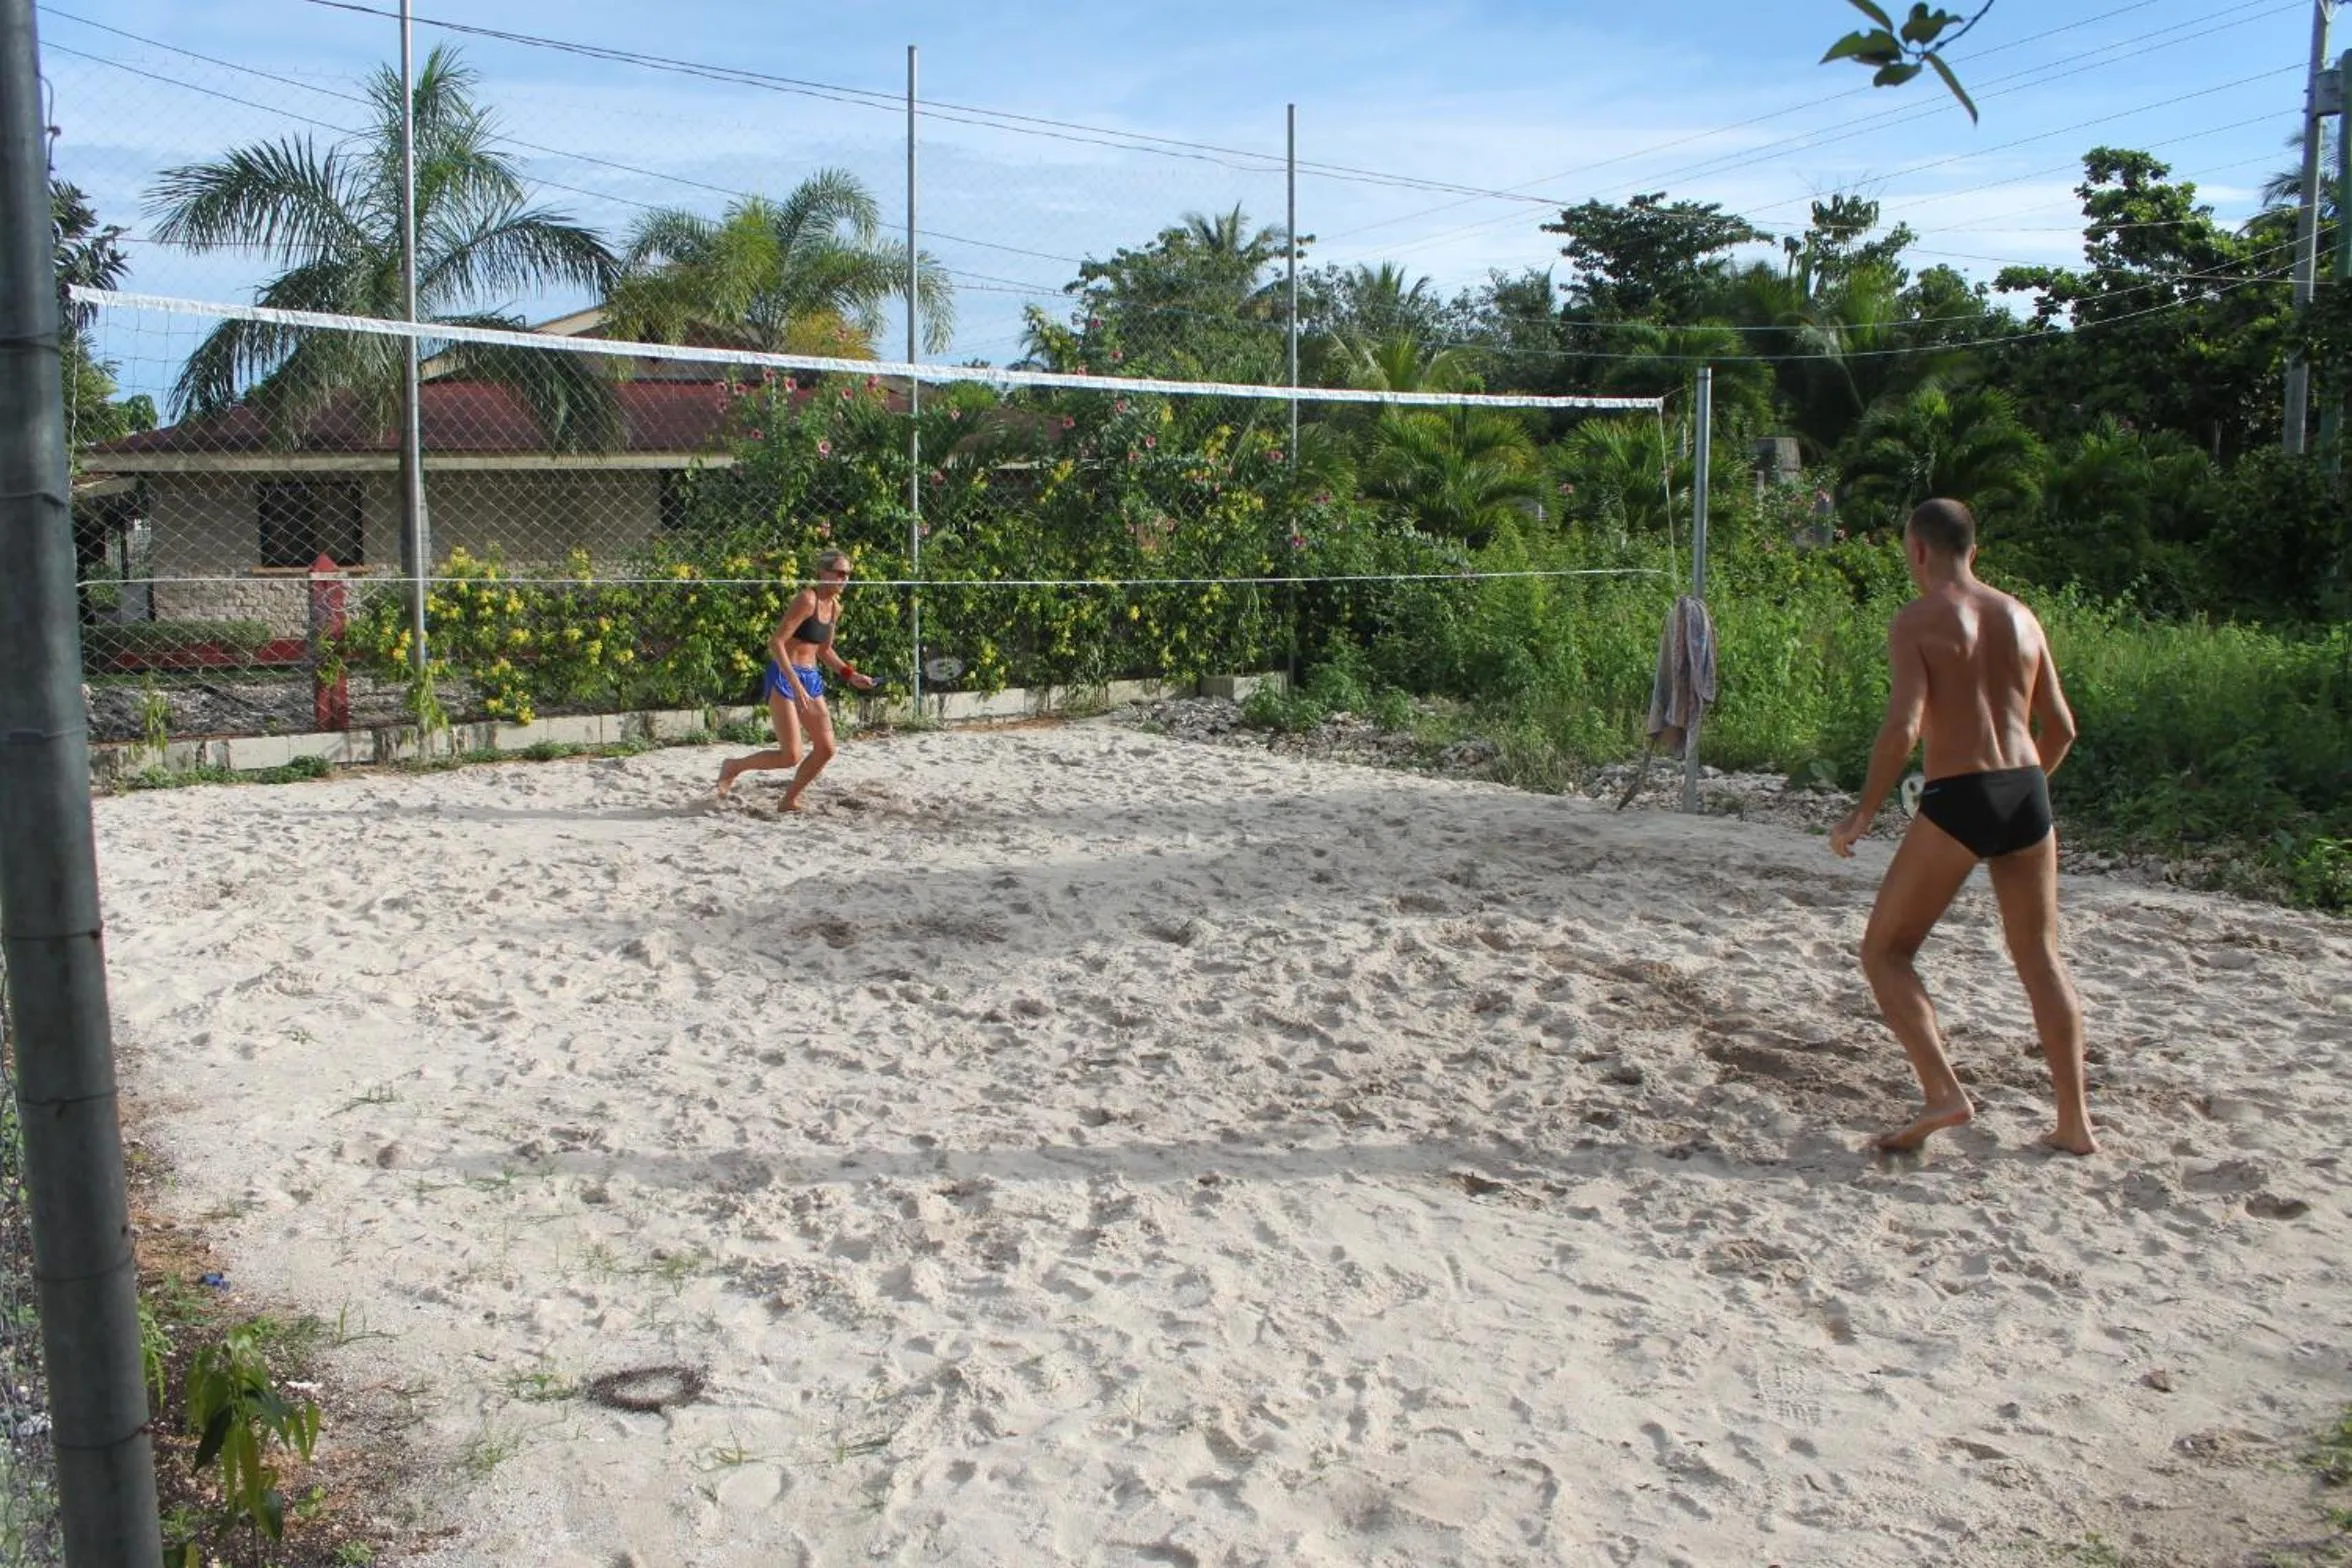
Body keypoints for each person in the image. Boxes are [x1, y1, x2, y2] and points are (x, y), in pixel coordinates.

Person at [1828, 499, 2095, 1156]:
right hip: (2027, 791)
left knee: (1885, 952)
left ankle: (1943, 1092)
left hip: (1960, 793)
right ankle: (2074, 1123)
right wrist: (2017, 795)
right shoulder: (2022, 616)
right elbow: (2061, 727)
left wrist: (1863, 813)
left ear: (1918, 550)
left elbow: (1903, 727)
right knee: (2041, 959)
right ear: (1972, 550)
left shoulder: (1917, 620)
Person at [715, 550, 877, 811]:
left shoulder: (835, 607)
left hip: (810, 677)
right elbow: (776, 642)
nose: (844, 579)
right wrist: (793, 681)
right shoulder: (806, 599)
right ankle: (734, 766)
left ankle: (789, 800)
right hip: (784, 674)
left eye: (848, 574)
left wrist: (850, 674)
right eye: (839, 573)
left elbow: (824, 650)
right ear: (823, 572)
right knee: (791, 755)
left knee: (826, 749)